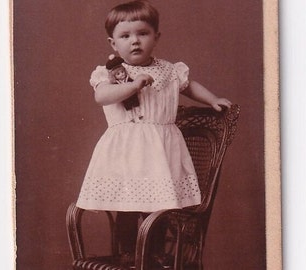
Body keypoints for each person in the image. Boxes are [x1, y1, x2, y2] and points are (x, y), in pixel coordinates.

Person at [76, 0, 232, 266]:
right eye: (125, 36)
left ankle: (155, 252)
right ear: (113, 44)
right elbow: (102, 96)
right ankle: (128, 251)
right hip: (126, 151)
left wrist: (212, 99)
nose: (135, 41)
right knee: (127, 204)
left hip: (161, 150)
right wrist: (133, 85)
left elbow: (190, 86)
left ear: (156, 37)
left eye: (142, 33)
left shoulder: (170, 70)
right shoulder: (109, 73)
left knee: (160, 206)